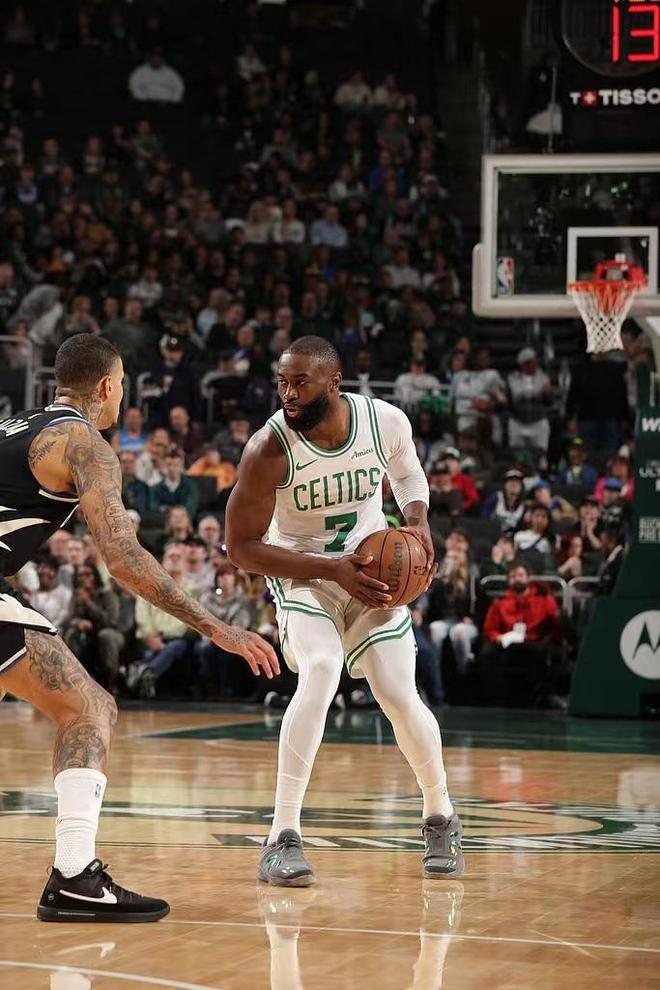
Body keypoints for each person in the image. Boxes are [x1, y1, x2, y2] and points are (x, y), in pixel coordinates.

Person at [0, 333, 277, 922]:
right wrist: (217, 628)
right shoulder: (86, 444)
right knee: (89, 710)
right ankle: (74, 875)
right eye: (123, 386)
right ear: (107, 386)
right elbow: (124, 559)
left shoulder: (14, 426)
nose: (122, 396)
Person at [226, 336, 463, 887]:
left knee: (399, 694)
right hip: (305, 575)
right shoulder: (268, 449)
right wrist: (331, 570)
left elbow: (407, 474)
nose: (288, 394)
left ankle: (441, 815)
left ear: (334, 383)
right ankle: (281, 836)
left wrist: (418, 522)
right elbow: (240, 548)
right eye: (282, 383)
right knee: (323, 668)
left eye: (300, 383)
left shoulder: (384, 422)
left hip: (372, 571)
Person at [479, 562, 561, 707]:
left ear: (528, 578)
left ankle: (542, 698)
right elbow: (490, 629)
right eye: (513, 576)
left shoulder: (543, 598)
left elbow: (553, 622)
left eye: (520, 575)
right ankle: (496, 699)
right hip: (508, 642)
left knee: (544, 652)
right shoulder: (500, 603)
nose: (517, 579)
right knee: (487, 652)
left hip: (535, 641)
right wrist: (498, 637)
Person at [194, 560, 254, 699]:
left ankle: (227, 690)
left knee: (227, 652)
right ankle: (209, 689)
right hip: (209, 637)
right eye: (221, 576)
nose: (224, 579)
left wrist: (225, 636)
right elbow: (202, 621)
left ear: (234, 579)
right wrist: (212, 636)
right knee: (205, 650)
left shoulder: (242, 600)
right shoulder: (207, 598)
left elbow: (240, 623)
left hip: (232, 636)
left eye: (228, 575)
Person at [426, 529, 478, 676]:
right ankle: (434, 672)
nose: (452, 561)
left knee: (459, 632)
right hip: (445, 620)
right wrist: (443, 580)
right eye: (449, 558)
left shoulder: (471, 578)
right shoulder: (441, 579)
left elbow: (479, 604)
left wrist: (473, 618)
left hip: (464, 621)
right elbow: (434, 606)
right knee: (435, 629)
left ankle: (464, 672)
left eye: (455, 558)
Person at [507, 348, 553, 451]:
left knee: (540, 454)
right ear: (524, 365)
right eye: (531, 363)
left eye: (535, 362)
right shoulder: (513, 378)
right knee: (517, 454)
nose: (535, 365)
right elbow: (514, 396)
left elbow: (549, 401)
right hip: (518, 422)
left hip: (538, 422)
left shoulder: (543, 378)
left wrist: (547, 393)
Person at [150, 446, 199, 518]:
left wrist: (166, 509)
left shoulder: (190, 486)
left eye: (176, 465)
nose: (172, 468)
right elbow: (154, 509)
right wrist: (179, 509)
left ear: (181, 466)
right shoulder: (156, 488)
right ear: (164, 465)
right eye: (169, 465)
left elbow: (191, 509)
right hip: (163, 522)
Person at [482, 469, 526, 534]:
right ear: (504, 485)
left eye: (517, 482)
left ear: (521, 487)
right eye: (510, 481)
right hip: (493, 534)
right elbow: (484, 520)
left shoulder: (525, 505)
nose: (514, 484)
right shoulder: (495, 499)